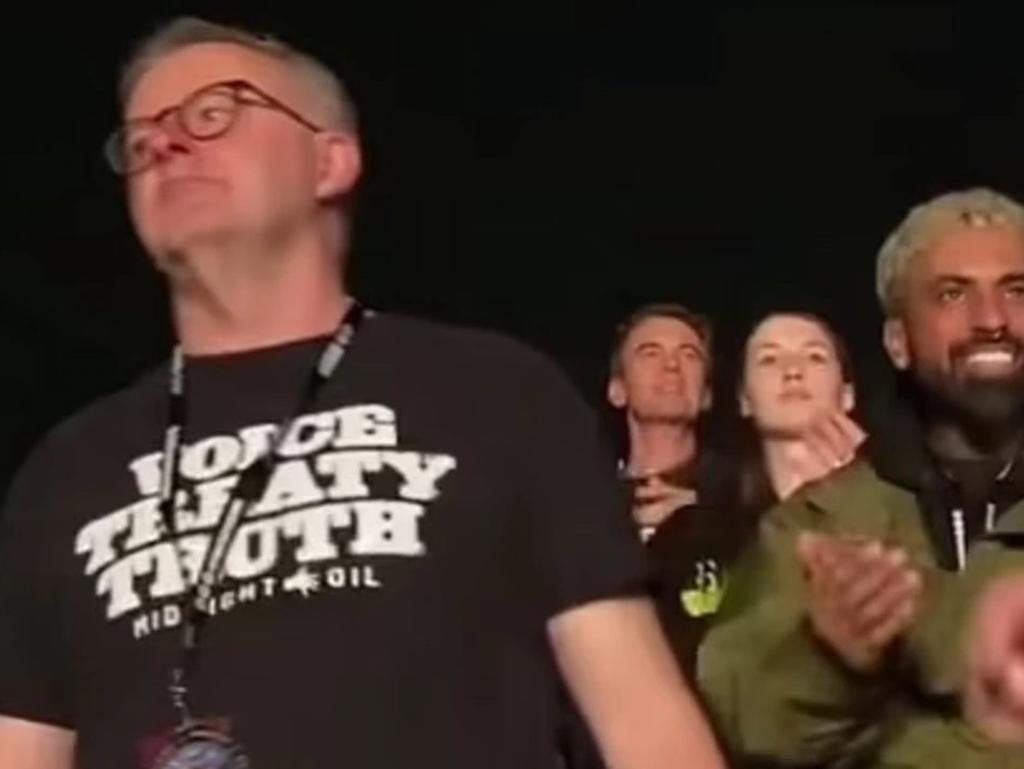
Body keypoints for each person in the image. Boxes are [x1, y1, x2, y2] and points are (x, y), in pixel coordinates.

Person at [0, 16, 725, 769]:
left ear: (330, 161)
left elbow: (644, 720)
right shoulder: (68, 471)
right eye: (140, 139)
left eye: (212, 112)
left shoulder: (494, 395)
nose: (165, 144)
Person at [698, 187, 1024, 768]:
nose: (993, 320)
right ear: (898, 343)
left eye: (1017, 291)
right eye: (952, 294)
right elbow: (742, 716)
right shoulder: (819, 523)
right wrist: (826, 658)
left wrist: (925, 623)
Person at [735, 311, 865, 516]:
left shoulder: (900, 508)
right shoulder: (709, 523)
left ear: (847, 395)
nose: (793, 371)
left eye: (815, 357)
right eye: (769, 359)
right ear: (745, 400)